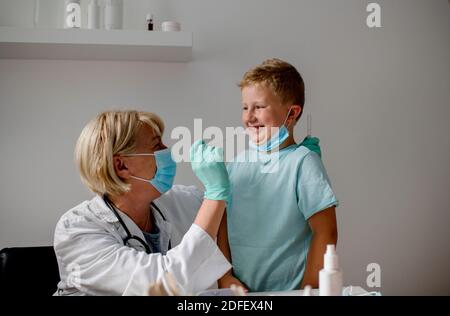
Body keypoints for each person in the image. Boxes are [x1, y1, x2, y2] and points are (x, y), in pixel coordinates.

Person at [54, 110, 232, 295]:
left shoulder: (180, 200)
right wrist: (216, 194)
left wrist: (225, 276)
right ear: (121, 166)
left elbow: (219, 214)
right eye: (157, 145)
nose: (167, 150)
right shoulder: (77, 231)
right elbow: (164, 286)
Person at [218, 58, 339, 292]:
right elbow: (221, 225)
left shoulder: (303, 162)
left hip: (291, 291)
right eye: (245, 107)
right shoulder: (235, 165)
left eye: (259, 107)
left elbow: (326, 232)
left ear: (291, 113)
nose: (249, 116)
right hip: (242, 293)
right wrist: (225, 277)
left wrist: (309, 289)